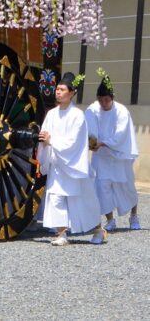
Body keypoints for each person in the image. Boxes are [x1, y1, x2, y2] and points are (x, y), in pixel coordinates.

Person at [38, 73, 105, 246]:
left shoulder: (77, 115)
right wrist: (44, 141)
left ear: (72, 93)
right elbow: (45, 133)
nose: (58, 92)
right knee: (56, 198)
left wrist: (51, 141)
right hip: (57, 164)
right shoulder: (52, 114)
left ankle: (98, 230)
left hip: (74, 165)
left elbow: (74, 142)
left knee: (82, 201)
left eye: (62, 90)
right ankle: (62, 234)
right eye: (57, 89)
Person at [84, 71, 140, 231]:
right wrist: (93, 142)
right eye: (101, 100)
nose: (103, 103)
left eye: (107, 100)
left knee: (127, 186)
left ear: (113, 98)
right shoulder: (93, 109)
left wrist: (103, 143)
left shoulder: (121, 111)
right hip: (101, 156)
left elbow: (121, 134)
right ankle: (110, 220)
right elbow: (89, 128)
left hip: (120, 155)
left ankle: (134, 216)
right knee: (102, 188)